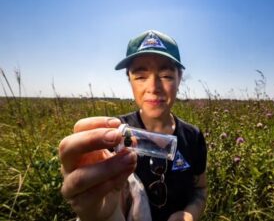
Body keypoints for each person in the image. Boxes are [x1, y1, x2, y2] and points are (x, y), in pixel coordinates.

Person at [59, 30, 208, 221]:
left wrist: (189, 214)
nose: (153, 87)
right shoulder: (113, 136)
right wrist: (99, 213)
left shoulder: (193, 136)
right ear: (129, 79)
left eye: (166, 75)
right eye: (140, 76)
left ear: (179, 78)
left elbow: (200, 189)